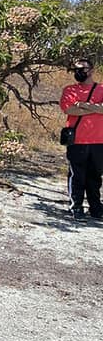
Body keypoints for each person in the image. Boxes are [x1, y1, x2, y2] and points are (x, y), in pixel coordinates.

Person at [59, 58, 103, 221]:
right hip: (77, 140)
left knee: (95, 176)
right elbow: (69, 109)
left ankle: (96, 207)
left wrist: (83, 105)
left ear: (91, 70)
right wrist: (95, 108)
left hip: (99, 141)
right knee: (77, 175)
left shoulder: (101, 89)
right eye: (75, 69)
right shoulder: (69, 90)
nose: (78, 72)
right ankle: (76, 206)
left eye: (82, 69)